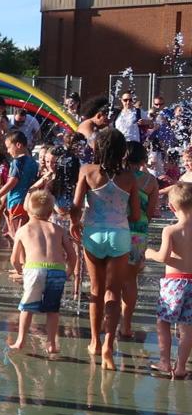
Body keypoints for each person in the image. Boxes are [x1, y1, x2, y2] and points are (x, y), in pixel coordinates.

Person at [70, 128, 140, 370]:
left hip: (94, 234)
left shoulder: (87, 171)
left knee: (97, 290)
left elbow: (76, 206)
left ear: (97, 148)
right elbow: (136, 214)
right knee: (114, 292)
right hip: (119, 235)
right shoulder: (130, 177)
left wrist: (73, 223)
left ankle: (94, 342)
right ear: (122, 151)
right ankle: (109, 346)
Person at [9, 191, 78, 355]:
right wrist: (68, 272)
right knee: (53, 310)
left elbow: (14, 259)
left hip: (34, 270)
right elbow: (72, 255)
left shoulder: (23, 230)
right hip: (57, 270)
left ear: (27, 210)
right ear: (50, 213)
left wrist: (21, 272)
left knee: (27, 308)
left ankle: (20, 341)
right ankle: (51, 344)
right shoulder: (58, 229)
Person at [146, 182, 192, 379]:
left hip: (174, 282)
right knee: (187, 327)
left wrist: (149, 253)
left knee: (163, 321)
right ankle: (181, 367)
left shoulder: (171, 230)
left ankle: (164, 362)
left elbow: (163, 257)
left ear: (172, 207)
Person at [122, 141, 160, 339]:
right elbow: (152, 212)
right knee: (130, 281)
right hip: (138, 233)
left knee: (110, 279)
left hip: (117, 229)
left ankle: (107, 322)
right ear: (144, 160)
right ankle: (126, 326)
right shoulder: (150, 181)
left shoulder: (118, 177)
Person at [0, 131, 38, 241]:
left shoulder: (17, 162)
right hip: (29, 202)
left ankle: (20, 258)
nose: (8, 151)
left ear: (18, 145)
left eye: (9, 147)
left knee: (18, 236)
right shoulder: (33, 162)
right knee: (26, 234)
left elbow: (12, 182)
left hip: (16, 202)